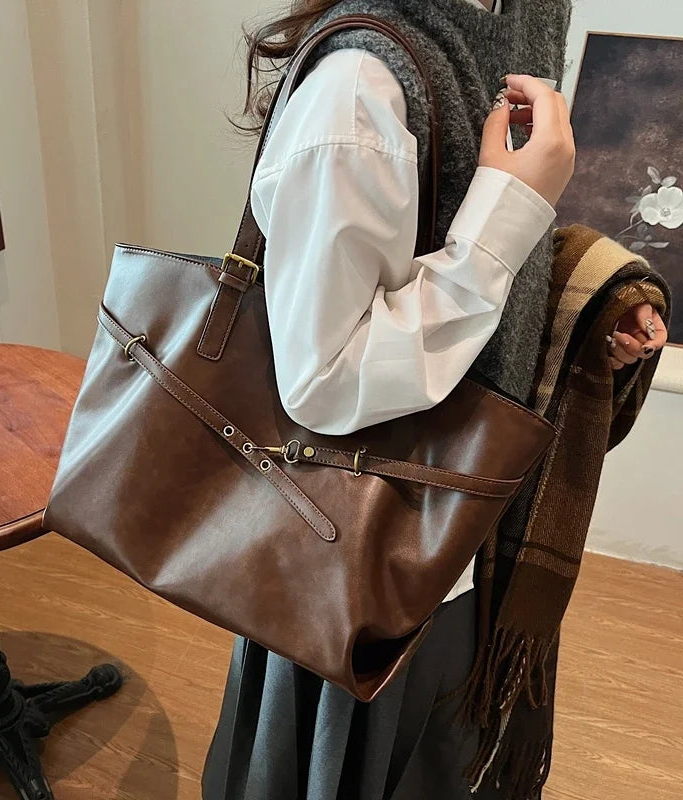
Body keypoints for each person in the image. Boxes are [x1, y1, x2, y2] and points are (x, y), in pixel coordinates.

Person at [201, 1, 668, 798]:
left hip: (470, 511)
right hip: (368, 546)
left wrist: (586, 298)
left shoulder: (527, 13)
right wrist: (509, 213)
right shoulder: (359, 86)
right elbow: (323, 380)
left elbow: (461, 227)